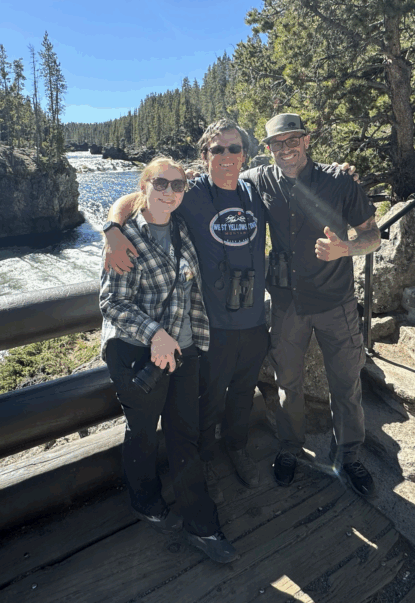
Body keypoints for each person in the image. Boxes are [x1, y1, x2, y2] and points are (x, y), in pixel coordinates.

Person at [103, 120, 270, 490]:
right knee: (208, 400)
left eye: (234, 148)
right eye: (218, 149)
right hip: (214, 324)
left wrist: (339, 171)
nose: (227, 156)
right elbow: (137, 196)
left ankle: (237, 448)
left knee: (243, 392)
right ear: (205, 155)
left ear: (245, 154)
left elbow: (295, 175)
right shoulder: (189, 191)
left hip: (255, 320)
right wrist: (113, 230)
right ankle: (206, 456)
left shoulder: (256, 188)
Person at [99, 156, 239, 563]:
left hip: (182, 350)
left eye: (177, 186)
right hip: (135, 352)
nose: (169, 193)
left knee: (185, 435)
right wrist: (153, 334)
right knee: (142, 433)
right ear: (143, 186)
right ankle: (144, 500)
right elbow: (111, 302)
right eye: (160, 184)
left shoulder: (181, 228)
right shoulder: (125, 237)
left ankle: (203, 524)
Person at [241, 113, 381, 496]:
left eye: (292, 141)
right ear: (267, 149)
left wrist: (345, 249)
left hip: (336, 301)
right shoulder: (259, 180)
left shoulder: (338, 180)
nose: (285, 150)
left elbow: (374, 236)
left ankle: (350, 455)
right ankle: (290, 448)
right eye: (276, 144)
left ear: (306, 140)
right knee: (289, 383)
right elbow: (207, 186)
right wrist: (116, 225)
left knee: (347, 382)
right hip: (287, 305)